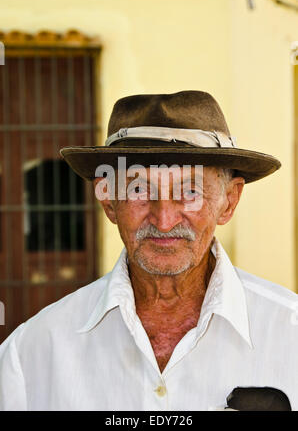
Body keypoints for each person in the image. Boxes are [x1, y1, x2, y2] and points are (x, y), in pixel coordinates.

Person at [0, 90, 297, 411]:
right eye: (138, 189)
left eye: (189, 190)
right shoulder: (32, 353)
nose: (165, 220)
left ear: (229, 201)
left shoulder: (289, 333)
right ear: (108, 201)